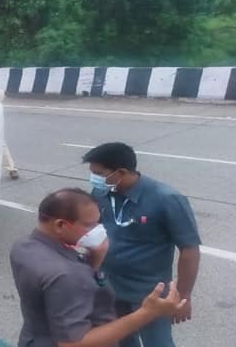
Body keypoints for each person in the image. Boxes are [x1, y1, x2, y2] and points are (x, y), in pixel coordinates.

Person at [10, 188, 188, 347]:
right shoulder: (68, 273)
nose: (99, 230)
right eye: (89, 225)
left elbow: (60, 293)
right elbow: (73, 343)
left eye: (98, 222)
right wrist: (147, 312)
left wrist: (95, 259)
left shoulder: (23, 246)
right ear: (60, 225)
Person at [82, 142, 201, 347]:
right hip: (110, 288)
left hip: (150, 294)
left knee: (158, 343)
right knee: (121, 340)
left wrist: (184, 296)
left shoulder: (167, 199)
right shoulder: (101, 193)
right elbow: (93, 232)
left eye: (99, 173)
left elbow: (189, 250)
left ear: (121, 172)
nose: (95, 179)